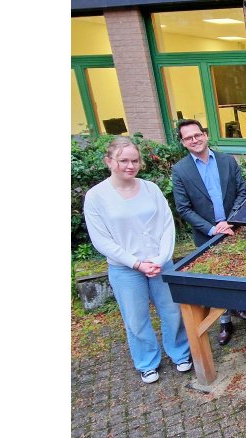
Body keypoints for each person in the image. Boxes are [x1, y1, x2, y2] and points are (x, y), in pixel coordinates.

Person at [84, 136, 192, 384]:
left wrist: (160, 258)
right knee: (136, 318)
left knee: (172, 311)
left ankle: (180, 353)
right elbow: (102, 240)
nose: (130, 166)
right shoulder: (96, 197)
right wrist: (136, 263)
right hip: (126, 269)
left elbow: (167, 225)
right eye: (123, 160)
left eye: (134, 160)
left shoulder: (151, 189)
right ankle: (147, 362)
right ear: (109, 161)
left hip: (160, 263)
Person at [171, 119, 246, 346]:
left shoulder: (227, 161)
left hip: (233, 229)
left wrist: (231, 221)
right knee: (217, 282)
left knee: (237, 272)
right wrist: (212, 228)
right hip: (206, 235)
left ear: (205, 135)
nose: (194, 140)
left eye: (197, 135)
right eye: (188, 138)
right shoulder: (180, 171)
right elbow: (184, 208)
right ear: (183, 142)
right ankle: (225, 321)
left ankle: (238, 305)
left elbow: (242, 192)